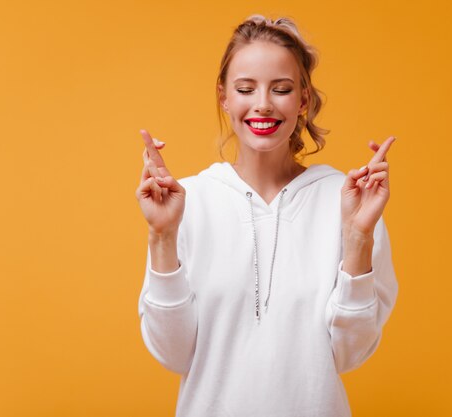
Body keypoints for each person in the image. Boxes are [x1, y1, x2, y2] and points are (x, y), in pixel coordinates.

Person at [136, 14, 398, 417]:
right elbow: (173, 354)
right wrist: (162, 236)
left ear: (303, 100)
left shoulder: (347, 202)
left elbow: (350, 355)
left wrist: (358, 237)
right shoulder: (187, 201)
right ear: (224, 96)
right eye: (245, 88)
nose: (262, 104)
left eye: (281, 89)